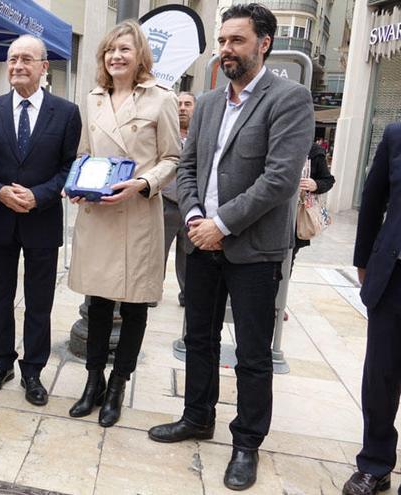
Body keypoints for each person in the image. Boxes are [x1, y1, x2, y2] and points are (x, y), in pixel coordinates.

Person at [147, 4, 314, 491]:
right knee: (198, 337)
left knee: (253, 353)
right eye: (222, 42)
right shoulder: (209, 102)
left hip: (254, 251)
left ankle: (246, 444)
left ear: (264, 43)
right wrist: (197, 216)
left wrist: (222, 223)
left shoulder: (290, 99)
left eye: (236, 41)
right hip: (201, 242)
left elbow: (280, 180)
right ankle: (197, 416)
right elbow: (189, 165)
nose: (225, 50)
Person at [66, 20, 180, 427]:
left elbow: (173, 158)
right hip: (98, 214)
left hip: (137, 214)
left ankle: (117, 384)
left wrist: (144, 183)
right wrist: (75, 185)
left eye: (125, 50)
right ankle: (92, 381)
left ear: (140, 56)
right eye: (111, 50)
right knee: (97, 303)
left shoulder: (161, 99)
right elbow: (82, 154)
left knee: (133, 306)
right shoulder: (93, 99)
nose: (116, 56)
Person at [0, 35, 81, 406]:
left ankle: (33, 371)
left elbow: (70, 167)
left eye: (26, 59)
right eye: (13, 59)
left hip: (42, 219)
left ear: (43, 67)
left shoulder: (66, 113)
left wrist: (39, 196)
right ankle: (0, 362)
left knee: (39, 303)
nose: (18, 65)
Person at [342, 123, 401, 495]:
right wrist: (363, 259)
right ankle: (375, 464)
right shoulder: (396, 135)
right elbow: (373, 197)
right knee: (380, 375)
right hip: (394, 276)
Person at [162, 91, 195, 307]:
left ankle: (188, 296)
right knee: (157, 253)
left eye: (187, 104)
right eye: (179, 104)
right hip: (165, 203)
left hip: (192, 206)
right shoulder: (166, 133)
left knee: (189, 255)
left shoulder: (202, 134)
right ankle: (151, 293)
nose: (182, 108)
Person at [291, 141, 335, 267]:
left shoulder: (314, 151)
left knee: (287, 262)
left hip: (297, 216)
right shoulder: (273, 143)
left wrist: (315, 184)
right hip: (270, 214)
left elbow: (328, 180)